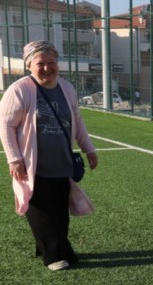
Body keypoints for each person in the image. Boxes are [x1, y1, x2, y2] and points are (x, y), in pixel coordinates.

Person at [0, 40, 98, 271]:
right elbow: (5, 126)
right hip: (33, 164)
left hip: (61, 161)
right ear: (29, 66)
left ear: (58, 64)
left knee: (59, 210)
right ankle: (53, 255)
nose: (47, 68)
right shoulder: (20, 90)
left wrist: (89, 148)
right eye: (40, 63)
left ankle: (54, 247)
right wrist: (14, 158)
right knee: (41, 210)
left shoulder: (67, 88)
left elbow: (78, 121)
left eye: (51, 62)